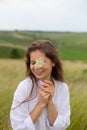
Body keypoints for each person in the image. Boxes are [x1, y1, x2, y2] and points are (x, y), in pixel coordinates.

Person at [10, 40, 70, 130]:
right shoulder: (24, 87)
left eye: (41, 62)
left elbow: (62, 125)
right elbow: (18, 127)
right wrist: (41, 104)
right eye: (33, 63)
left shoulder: (62, 88)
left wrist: (50, 102)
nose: (37, 67)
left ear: (53, 62)